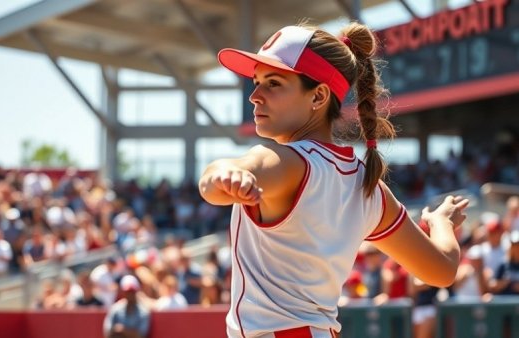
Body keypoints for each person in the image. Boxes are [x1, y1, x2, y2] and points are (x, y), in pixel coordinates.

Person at [199, 22, 469, 337]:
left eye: (273, 83)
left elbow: (211, 185)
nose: (255, 96)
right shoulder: (369, 187)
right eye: (256, 82)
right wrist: (441, 223)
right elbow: (441, 270)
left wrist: (224, 174)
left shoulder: (285, 161)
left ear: (319, 96)